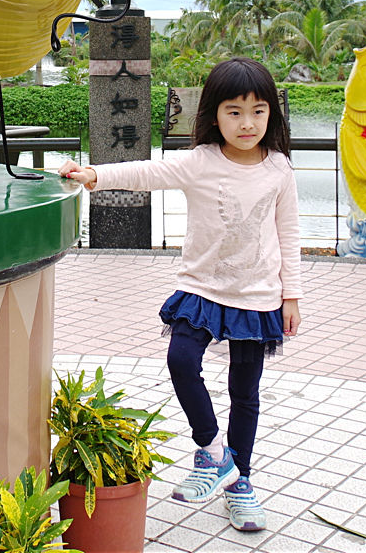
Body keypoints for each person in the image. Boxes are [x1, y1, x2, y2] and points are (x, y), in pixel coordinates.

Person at [59, 56, 302, 533]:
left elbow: (288, 233)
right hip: (202, 287)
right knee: (180, 360)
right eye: (234, 111)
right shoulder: (200, 162)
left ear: (271, 113)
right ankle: (213, 453)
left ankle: (240, 483)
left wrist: (290, 295)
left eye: (258, 111)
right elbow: (147, 173)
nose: (247, 123)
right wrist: (94, 175)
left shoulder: (279, 170)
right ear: (214, 114)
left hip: (258, 295)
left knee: (244, 392)